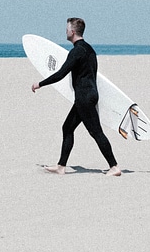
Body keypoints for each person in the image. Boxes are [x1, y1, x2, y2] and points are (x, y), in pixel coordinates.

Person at [31, 18, 121, 176]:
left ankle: (114, 167)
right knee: (67, 127)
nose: (65, 31)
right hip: (89, 94)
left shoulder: (77, 51)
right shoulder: (90, 50)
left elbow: (61, 73)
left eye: (67, 29)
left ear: (72, 32)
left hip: (84, 97)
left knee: (96, 132)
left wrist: (40, 83)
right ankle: (61, 166)